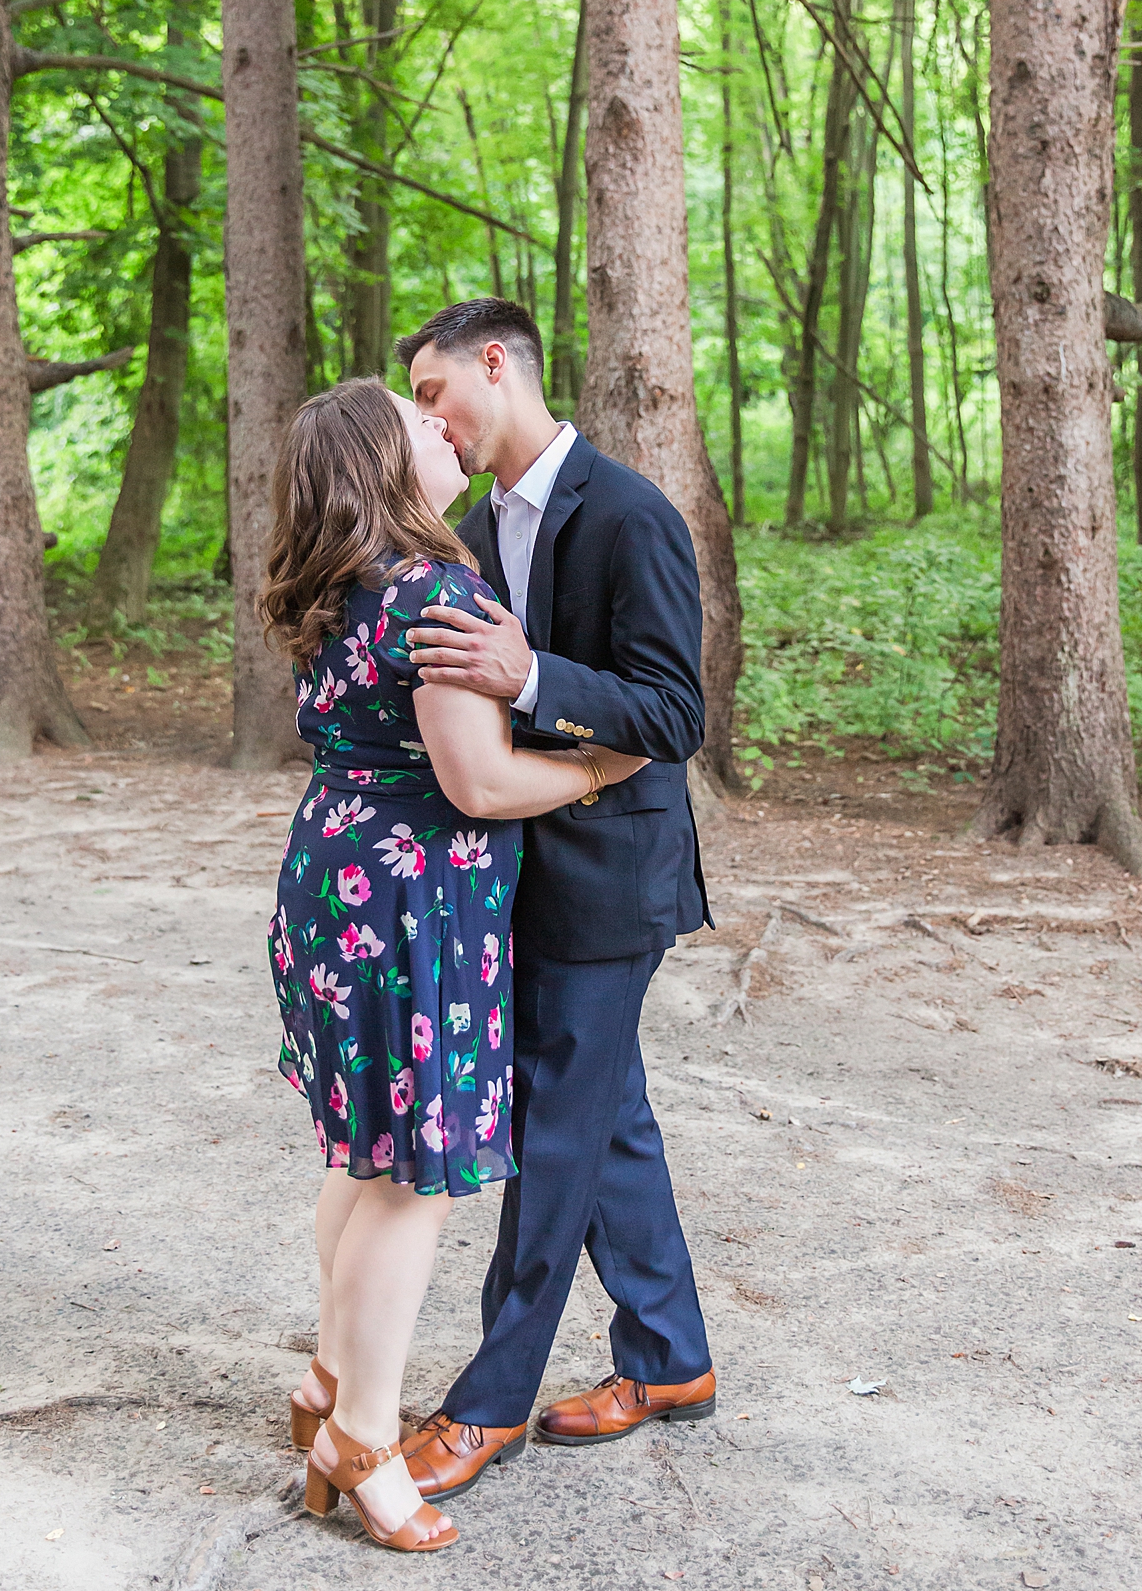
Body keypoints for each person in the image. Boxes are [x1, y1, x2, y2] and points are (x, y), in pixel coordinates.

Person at [260, 377, 647, 1554]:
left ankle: (333, 1379)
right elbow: (479, 785)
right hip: (413, 900)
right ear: (385, 460)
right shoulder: (435, 588)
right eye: (418, 420)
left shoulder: (335, 587)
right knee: (413, 1177)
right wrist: (603, 767)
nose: (445, 427)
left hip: (335, 883)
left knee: (366, 1149)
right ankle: (364, 1439)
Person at [393, 298, 716, 1503]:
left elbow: (675, 713)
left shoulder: (630, 512)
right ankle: (670, 1360)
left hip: (613, 880)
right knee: (609, 1117)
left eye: (433, 391)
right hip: (522, 871)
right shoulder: (474, 529)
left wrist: (532, 673)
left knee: (554, 1134)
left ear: (496, 363)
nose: (429, 418)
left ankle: (489, 1401)